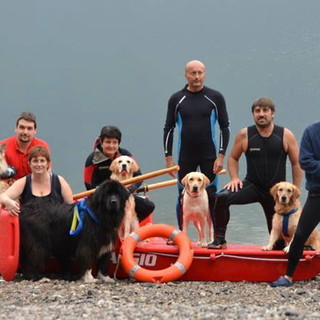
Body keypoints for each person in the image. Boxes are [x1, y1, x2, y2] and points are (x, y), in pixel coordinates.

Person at [208, 97, 303, 249]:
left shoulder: (285, 135)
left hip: (276, 193)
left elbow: (297, 163)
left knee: (278, 245)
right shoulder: (245, 134)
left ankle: (288, 260)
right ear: (253, 114)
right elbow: (233, 158)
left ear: (272, 114)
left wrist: (295, 190)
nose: (261, 114)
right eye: (257, 111)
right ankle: (219, 240)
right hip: (252, 186)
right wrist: (234, 178)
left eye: (265, 110)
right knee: (221, 198)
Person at [163, 59, 230, 229]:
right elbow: (169, 128)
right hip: (186, 155)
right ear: (186, 75)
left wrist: (221, 156)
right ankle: (180, 236)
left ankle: (218, 237)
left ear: (205, 74)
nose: (197, 77)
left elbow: (224, 128)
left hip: (209, 155)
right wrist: (169, 159)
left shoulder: (215, 97)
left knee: (213, 196)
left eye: (200, 73)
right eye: (193, 73)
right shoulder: (177, 99)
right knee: (182, 195)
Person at [270, 121, 320, 287]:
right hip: (317, 192)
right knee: (300, 234)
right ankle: (288, 277)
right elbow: (305, 161)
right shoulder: (311, 132)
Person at [84, 125, 155, 222]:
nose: (111, 146)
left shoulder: (125, 155)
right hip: (102, 196)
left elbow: (139, 177)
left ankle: (129, 226)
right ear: (101, 142)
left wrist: (129, 190)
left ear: (118, 144)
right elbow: (89, 186)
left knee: (149, 206)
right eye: (108, 142)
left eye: (114, 142)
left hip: (124, 194)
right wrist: (107, 193)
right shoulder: (91, 160)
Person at [0, 146, 73, 216]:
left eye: (42, 161)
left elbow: (71, 208)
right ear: (29, 163)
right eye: (35, 161)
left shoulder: (59, 181)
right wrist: (7, 202)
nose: (39, 164)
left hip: (56, 226)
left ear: (48, 164)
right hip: (29, 226)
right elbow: (2, 197)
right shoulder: (23, 182)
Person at [0, 112, 50, 180]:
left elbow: (47, 172)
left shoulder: (42, 146)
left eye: (29, 128)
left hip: (34, 186)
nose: (25, 132)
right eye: (22, 127)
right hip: (8, 187)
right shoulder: (3, 146)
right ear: (16, 128)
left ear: (35, 131)